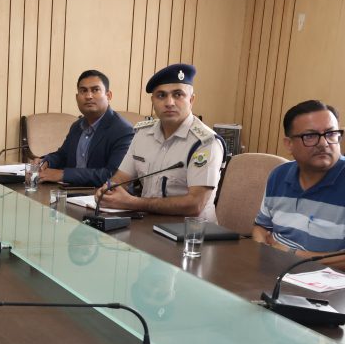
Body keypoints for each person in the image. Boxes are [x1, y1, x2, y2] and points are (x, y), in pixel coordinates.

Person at [95, 63, 224, 221]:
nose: (169, 102)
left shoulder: (205, 143)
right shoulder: (143, 134)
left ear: (191, 100)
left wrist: (132, 202)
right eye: (161, 96)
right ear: (153, 101)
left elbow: (195, 205)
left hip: (192, 232)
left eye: (178, 95)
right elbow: (120, 179)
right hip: (147, 224)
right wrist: (107, 191)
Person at [252, 100, 345, 265]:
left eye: (331, 134)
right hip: (274, 268)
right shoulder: (278, 175)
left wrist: (294, 256)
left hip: (324, 278)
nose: (324, 143)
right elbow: (261, 227)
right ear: (289, 144)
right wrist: (262, 248)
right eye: (310, 136)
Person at [38, 70, 134, 186]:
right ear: (77, 97)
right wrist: (47, 161)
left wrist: (64, 174)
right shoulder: (77, 126)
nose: (88, 96)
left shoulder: (123, 130)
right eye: (83, 91)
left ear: (108, 96)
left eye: (95, 90)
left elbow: (112, 175)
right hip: (69, 190)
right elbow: (63, 155)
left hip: (102, 194)